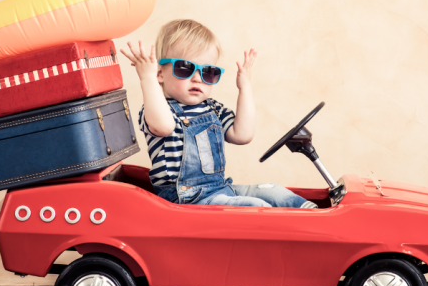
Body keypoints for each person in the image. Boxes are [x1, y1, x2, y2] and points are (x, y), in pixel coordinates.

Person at [119, 19, 318, 208]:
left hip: (220, 189)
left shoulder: (213, 108)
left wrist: (245, 88)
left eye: (208, 72)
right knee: (255, 208)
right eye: (184, 68)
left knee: (274, 192)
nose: (197, 78)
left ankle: (316, 217)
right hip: (184, 199)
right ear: (160, 74)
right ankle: (282, 232)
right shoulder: (158, 109)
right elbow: (164, 126)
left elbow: (242, 135)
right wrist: (147, 78)